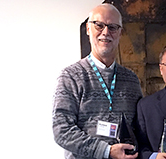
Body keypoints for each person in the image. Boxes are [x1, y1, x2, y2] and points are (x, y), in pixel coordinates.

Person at [52, 3, 143, 159]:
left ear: (120, 33)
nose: (106, 32)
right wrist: (106, 151)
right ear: (88, 29)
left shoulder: (131, 79)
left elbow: (140, 127)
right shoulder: (70, 76)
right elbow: (62, 130)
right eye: (99, 25)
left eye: (113, 27)